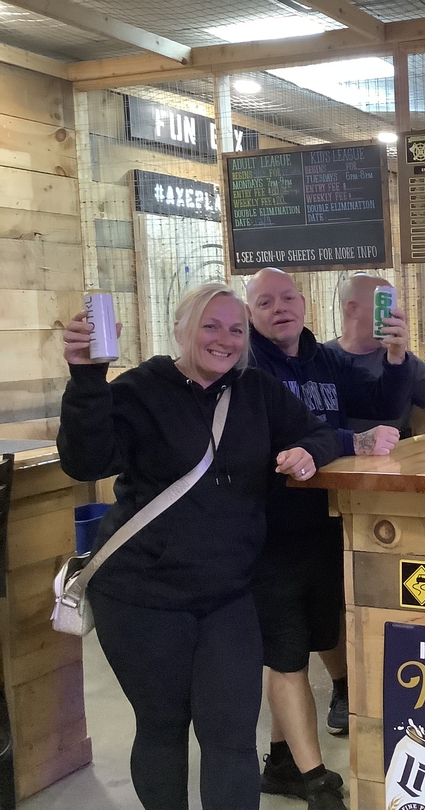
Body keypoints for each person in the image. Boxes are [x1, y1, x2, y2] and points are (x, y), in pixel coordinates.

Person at [56, 283, 341, 810]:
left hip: (229, 595)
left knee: (231, 737)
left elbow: (319, 433)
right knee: (163, 727)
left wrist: (306, 450)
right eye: (211, 326)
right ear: (181, 329)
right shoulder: (142, 388)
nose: (225, 340)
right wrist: (87, 379)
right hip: (141, 595)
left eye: (236, 329)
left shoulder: (256, 390)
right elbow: (86, 462)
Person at [245, 267, 410, 810]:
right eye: (265, 302)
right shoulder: (246, 367)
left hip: (324, 522)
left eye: (287, 297)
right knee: (286, 656)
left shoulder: (323, 360)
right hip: (268, 534)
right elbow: (274, 439)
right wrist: (348, 442)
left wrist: (395, 358)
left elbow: (382, 407)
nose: (280, 308)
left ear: (304, 303)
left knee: (305, 643)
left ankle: (281, 763)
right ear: (250, 313)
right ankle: (316, 781)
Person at [325, 272, 425, 436]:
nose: (392, 314)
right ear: (353, 308)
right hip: (335, 450)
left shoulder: (405, 362)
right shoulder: (321, 358)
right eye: (384, 307)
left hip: (395, 450)